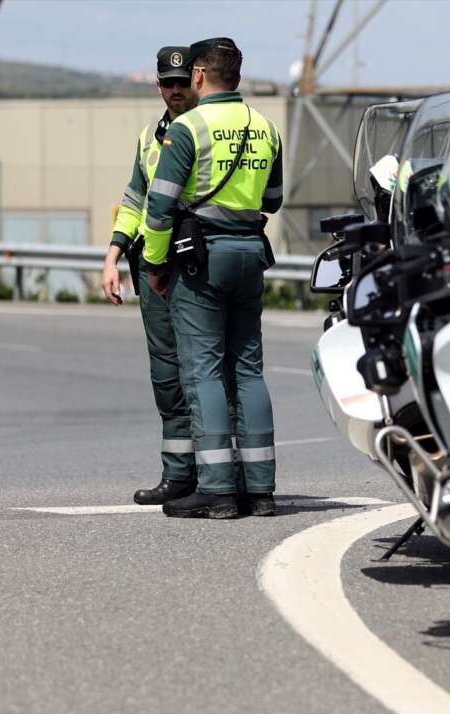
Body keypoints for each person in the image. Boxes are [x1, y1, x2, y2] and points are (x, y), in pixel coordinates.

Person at [141, 37, 283, 519]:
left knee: (202, 370)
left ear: (199, 75)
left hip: (203, 259)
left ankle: (218, 489)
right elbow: (274, 200)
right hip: (250, 254)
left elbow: (158, 209)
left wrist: (156, 266)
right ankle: (260, 490)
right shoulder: (266, 128)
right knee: (248, 368)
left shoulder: (187, 130)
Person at [99, 46, 200, 506]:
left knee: (205, 369)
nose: (176, 90)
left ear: (196, 82)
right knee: (166, 372)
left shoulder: (204, 129)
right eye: (168, 83)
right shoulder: (149, 136)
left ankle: (223, 473)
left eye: (183, 82)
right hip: (149, 263)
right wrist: (113, 255)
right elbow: (134, 198)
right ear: (159, 86)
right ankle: (178, 474)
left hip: (193, 260)